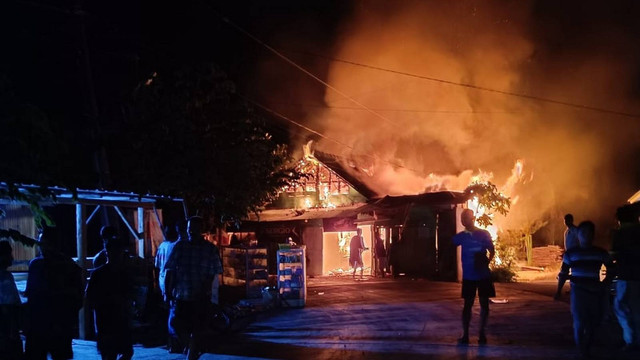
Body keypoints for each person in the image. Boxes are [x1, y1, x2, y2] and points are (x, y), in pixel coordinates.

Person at [164, 216, 223, 360]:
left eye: (195, 229)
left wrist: (206, 290)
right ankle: (190, 348)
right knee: (176, 326)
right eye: (190, 229)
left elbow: (213, 273)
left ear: (202, 230)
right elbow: (169, 270)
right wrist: (167, 292)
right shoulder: (179, 246)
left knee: (198, 329)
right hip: (180, 295)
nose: (192, 232)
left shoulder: (209, 249)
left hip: (199, 297)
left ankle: (191, 353)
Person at [555, 221, 614, 358]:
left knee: (594, 321)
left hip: (595, 292)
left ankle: (586, 347)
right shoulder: (571, 254)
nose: (586, 236)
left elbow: (612, 269)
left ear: (593, 235)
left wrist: (605, 283)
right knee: (580, 321)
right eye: (583, 233)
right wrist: (558, 291)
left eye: (589, 233)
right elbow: (563, 273)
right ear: (578, 235)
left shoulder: (600, 253)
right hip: (578, 292)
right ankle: (582, 349)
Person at [25, 226, 83, 360]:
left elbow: (31, 296)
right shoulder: (68, 265)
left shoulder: (40, 265)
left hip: (47, 324)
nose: (42, 247)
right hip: (52, 324)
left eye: (44, 244)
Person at [86, 235, 134, 360]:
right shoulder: (118, 273)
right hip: (108, 320)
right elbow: (90, 297)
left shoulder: (101, 273)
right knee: (114, 353)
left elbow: (89, 297)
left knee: (117, 353)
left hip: (112, 319)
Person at [452, 209, 495, 345]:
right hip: (470, 276)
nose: (463, 220)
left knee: (483, 305)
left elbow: (492, 250)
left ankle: (481, 334)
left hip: (482, 275)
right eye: (462, 218)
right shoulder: (461, 236)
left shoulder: (483, 234)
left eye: (466, 217)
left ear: (473, 218)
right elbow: (449, 244)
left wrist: (486, 262)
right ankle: (466, 335)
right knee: (468, 305)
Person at [611, 205, 640, 351]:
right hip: (637, 277)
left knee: (621, 308)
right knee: (636, 309)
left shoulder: (621, 233)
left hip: (625, 276)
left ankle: (630, 341)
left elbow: (616, 254)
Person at [0, 240, 23, 359]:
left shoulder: (6, 276)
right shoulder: (5, 277)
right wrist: (13, 331)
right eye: (9, 253)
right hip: (6, 331)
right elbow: (8, 307)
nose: (12, 257)